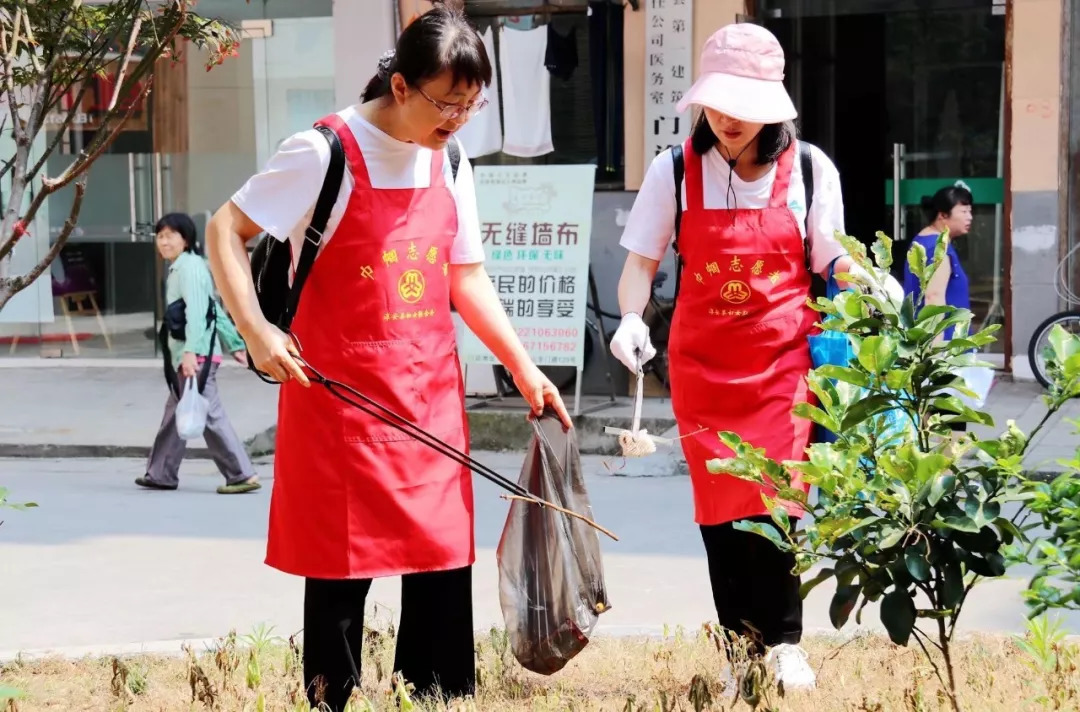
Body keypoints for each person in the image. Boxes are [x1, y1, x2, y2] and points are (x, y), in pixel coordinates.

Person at [204, 3, 572, 709]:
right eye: (445, 103)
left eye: (470, 105)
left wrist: (526, 369)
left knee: (440, 568)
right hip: (341, 402)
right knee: (341, 578)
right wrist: (255, 330)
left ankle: (436, 698)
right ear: (399, 87)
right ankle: (331, 700)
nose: (457, 119)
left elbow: (465, 278)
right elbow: (226, 226)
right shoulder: (324, 152)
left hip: (428, 399)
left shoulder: (452, 159)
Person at [609, 23, 901, 691]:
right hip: (702, 367)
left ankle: (786, 639)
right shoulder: (673, 169)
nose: (726, 120)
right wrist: (631, 315)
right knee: (719, 509)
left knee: (778, 500)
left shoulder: (807, 168)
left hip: (781, 365)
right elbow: (641, 264)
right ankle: (739, 642)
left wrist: (868, 278)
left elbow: (831, 255)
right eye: (716, 105)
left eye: (740, 106)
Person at [136, 213, 260, 495]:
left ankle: (241, 474)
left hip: (197, 356)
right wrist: (235, 345)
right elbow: (212, 308)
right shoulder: (183, 267)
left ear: (186, 239)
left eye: (171, 235)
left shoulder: (190, 267)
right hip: (193, 354)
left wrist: (191, 352)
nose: (164, 242)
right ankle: (161, 473)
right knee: (174, 414)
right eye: (160, 236)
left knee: (210, 415)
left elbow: (197, 312)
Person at [902, 182, 974, 432]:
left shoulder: (928, 241)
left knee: (933, 418)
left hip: (938, 345)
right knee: (949, 421)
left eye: (970, 211)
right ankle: (944, 468)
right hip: (943, 347)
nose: (970, 217)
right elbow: (933, 299)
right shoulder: (936, 247)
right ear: (943, 215)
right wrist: (939, 355)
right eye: (963, 211)